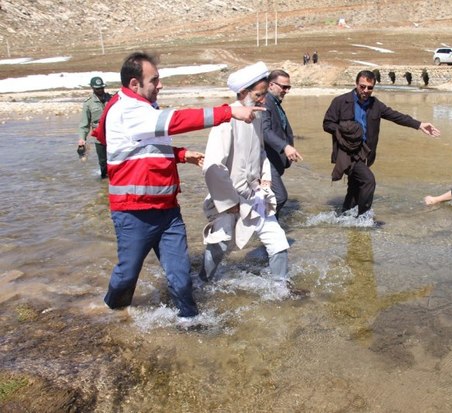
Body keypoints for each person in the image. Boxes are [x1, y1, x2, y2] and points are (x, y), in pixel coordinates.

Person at [93, 52, 262, 318]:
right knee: (127, 276)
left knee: (181, 276)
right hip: (133, 213)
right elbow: (176, 121)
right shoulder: (127, 110)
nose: (160, 85)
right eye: (155, 80)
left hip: (167, 211)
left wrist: (182, 155)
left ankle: (190, 322)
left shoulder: (145, 110)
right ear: (135, 84)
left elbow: (146, 148)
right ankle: (110, 314)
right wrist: (228, 112)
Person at [200, 62, 292, 288]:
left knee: (278, 241)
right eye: (259, 95)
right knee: (220, 245)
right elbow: (212, 165)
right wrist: (227, 202)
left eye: (263, 95)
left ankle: (280, 289)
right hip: (229, 198)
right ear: (243, 93)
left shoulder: (257, 116)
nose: (263, 100)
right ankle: (201, 284)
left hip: (255, 194)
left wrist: (265, 177)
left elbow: (260, 151)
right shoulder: (225, 121)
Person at [323, 70, 441, 216]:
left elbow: (396, 116)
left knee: (355, 187)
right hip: (347, 152)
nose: (366, 90)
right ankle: (363, 218)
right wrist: (344, 130)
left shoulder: (375, 104)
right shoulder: (340, 101)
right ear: (356, 84)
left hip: (365, 152)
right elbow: (327, 124)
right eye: (362, 86)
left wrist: (419, 124)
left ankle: (344, 217)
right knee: (368, 180)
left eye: (369, 88)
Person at [262, 69, 303, 216]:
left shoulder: (275, 102)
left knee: (270, 198)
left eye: (288, 87)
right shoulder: (266, 102)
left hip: (275, 159)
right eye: (284, 87)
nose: (286, 91)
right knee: (279, 197)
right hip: (266, 161)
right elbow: (265, 131)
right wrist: (285, 146)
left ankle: (272, 230)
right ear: (271, 85)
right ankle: (259, 224)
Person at [78, 76, 112, 178]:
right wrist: (82, 139)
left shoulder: (112, 99)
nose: (100, 90)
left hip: (113, 134)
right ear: (93, 88)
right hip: (99, 137)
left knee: (116, 159)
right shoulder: (88, 103)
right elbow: (84, 124)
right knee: (103, 162)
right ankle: (104, 183)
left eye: (102, 88)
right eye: (97, 88)